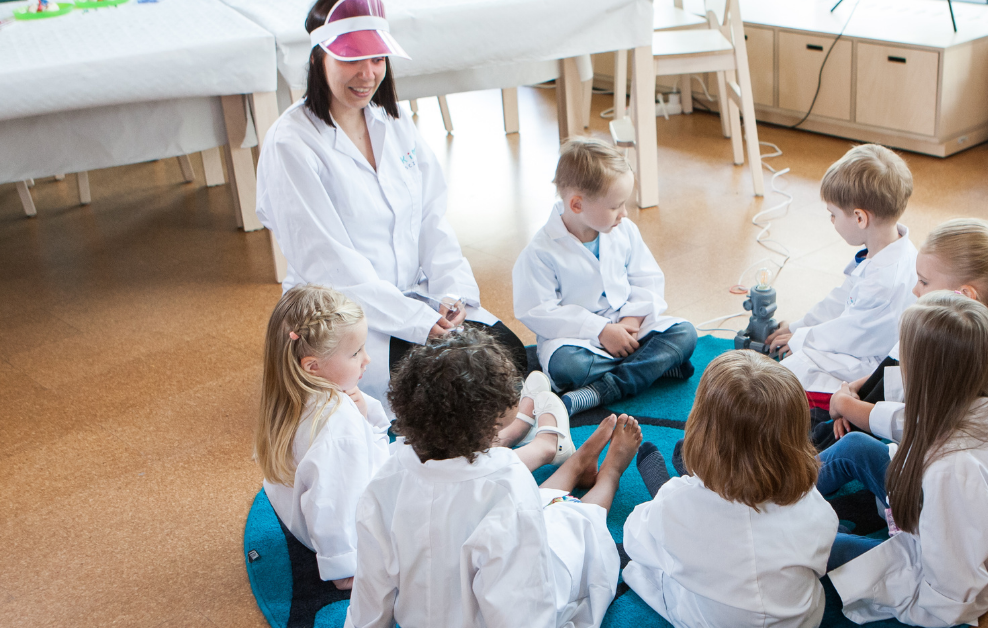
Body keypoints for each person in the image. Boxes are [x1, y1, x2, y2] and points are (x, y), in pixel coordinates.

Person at [255, 0, 525, 408]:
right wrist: (416, 321)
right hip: (344, 321)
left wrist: (452, 296)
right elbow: (330, 267)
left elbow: (431, 219)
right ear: (317, 59)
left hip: (416, 300)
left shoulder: (394, 121)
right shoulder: (290, 143)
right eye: (352, 59)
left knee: (511, 355)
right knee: (450, 386)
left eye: (378, 57)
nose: (368, 74)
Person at [344, 328, 643, 628]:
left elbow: (369, 596)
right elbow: (524, 608)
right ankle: (610, 474)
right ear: (489, 425)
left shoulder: (386, 478)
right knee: (578, 522)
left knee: (533, 504)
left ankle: (576, 465)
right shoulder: (506, 482)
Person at [818, 292, 988, 627]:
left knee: (818, 544)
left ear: (926, 376)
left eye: (903, 358)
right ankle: (780, 492)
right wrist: (848, 404)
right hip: (931, 516)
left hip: (934, 581)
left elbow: (949, 584)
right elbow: (904, 421)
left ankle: (774, 518)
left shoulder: (953, 472)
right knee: (856, 447)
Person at [827, 219, 988, 478]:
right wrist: (853, 391)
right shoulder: (973, 323)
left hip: (974, 476)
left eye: (924, 282)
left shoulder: (987, 356)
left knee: (850, 452)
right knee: (840, 433)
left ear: (964, 295)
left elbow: (919, 424)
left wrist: (847, 406)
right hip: (953, 449)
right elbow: (898, 365)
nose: (915, 290)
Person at [622, 351, 838, 628]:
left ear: (700, 429)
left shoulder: (675, 504)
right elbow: (818, 561)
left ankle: (678, 478)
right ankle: (693, 477)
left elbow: (635, 540)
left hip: (708, 620)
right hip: (799, 621)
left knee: (653, 561)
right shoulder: (812, 503)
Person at [513, 137, 697, 415]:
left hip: (629, 329)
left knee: (684, 333)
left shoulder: (625, 230)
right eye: (615, 206)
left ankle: (599, 391)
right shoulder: (540, 252)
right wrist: (600, 330)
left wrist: (631, 320)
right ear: (577, 205)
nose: (624, 213)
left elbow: (646, 278)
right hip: (579, 343)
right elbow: (538, 311)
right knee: (567, 367)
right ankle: (652, 369)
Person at [255, 285, 390, 591]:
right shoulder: (337, 423)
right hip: (342, 538)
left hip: (301, 523)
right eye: (355, 353)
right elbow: (332, 500)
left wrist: (363, 414)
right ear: (313, 366)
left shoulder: (297, 391)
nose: (366, 359)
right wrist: (345, 565)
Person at [765, 144, 918, 409]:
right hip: (859, 345)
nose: (832, 220)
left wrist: (801, 339)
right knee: (798, 359)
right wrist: (798, 327)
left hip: (872, 366)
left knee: (790, 375)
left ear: (859, 218)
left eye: (833, 214)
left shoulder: (886, 280)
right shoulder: (885, 249)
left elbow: (851, 334)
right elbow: (839, 301)